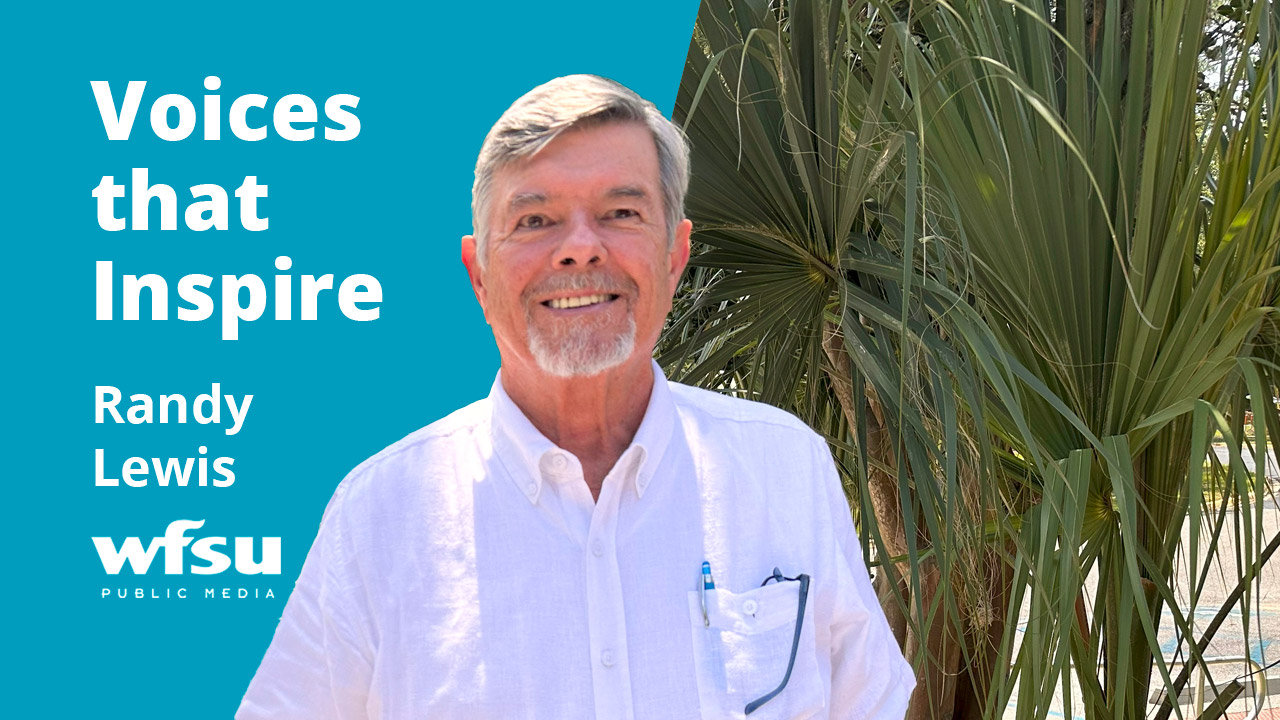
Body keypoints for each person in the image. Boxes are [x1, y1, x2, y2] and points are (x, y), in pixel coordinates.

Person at [238, 74, 915, 720]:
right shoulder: (379, 517)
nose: (580, 249)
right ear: (478, 271)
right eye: (535, 221)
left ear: (675, 256)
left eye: (621, 213)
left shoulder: (784, 467)